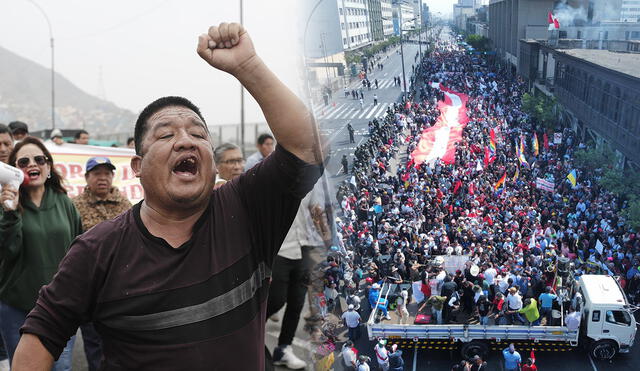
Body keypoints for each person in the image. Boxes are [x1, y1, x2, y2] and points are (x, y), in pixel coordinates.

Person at [11, 22, 323, 370]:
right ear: (138, 166)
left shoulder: (247, 209)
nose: (185, 140)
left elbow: (308, 147)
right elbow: (40, 338)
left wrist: (247, 66)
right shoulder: (97, 251)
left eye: (197, 133)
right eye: (165, 135)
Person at [0, 137, 82, 370]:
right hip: (17, 308)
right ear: (15, 171)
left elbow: (78, 250)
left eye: (39, 159)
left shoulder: (65, 202)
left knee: (61, 367)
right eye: (23, 161)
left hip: (60, 308)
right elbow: (7, 251)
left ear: (48, 167)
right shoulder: (7, 205)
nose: (32, 164)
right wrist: (10, 213)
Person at [72, 157, 133, 370]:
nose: (103, 178)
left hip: (123, 286)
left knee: (123, 344)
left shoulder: (125, 203)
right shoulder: (75, 206)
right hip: (90, 287)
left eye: (107, 173)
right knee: (94, 344)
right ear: (87, 178)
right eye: (97, 173)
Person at [266, 180, 330, 370]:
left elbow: (316, 210)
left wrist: (326, 238)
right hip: (279, 249)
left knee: (296, 302)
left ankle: (283, 349)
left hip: (304, 246)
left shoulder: (308, 178)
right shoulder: (269, 178)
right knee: (277, 299)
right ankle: (246, 331)